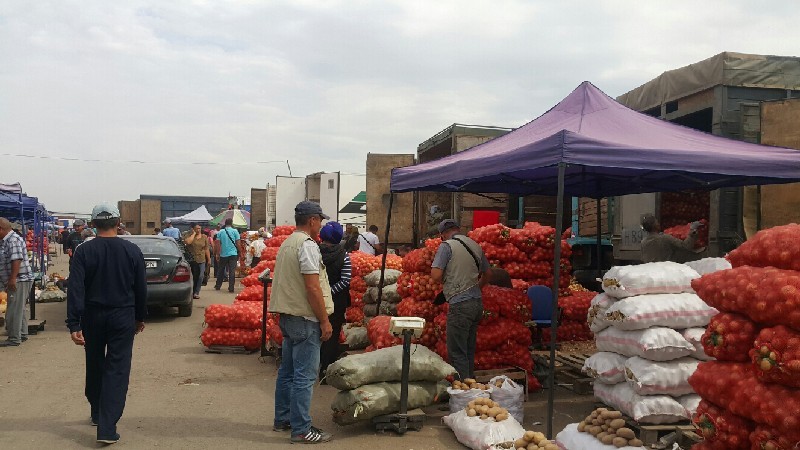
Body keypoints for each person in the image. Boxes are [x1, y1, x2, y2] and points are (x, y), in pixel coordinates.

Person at [65, 202, 147, 444]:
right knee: (117, 368)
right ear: (118, 223)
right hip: (122, 316)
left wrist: (74, 324)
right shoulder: (131, 250)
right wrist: (140, 317)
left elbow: (75, 289)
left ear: (92, 224)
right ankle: (107, 427)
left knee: (95, 362)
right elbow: (141, 288)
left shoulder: (83, 251)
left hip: (92, 316)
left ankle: (96, 411)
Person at [269, 201, 334, 444]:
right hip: (305, 319)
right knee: (304, 377)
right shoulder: (307, 246)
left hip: (288, 317)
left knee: (287, 373)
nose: (321, 224)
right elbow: (312, 287)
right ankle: (301, 429)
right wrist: (325, 321)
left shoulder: (288, 243)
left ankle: (283, 419)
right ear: (313, 220)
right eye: (320, 220)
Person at [431, 219, 492, 380]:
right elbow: (488, 274)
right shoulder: (474, 245)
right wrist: (476, 287)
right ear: (458, 229)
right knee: (468, 349)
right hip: (477, 304)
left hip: (460, 305)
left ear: (442, 234)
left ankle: (463, 391)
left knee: (457, 352)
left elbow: (436, 275)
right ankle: (471, 386)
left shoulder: (447, 246)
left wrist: (450, 277)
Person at [318, 221, 351, 380]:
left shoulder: (314, 252)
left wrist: (321, 293)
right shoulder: (344, 255)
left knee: (316, 333)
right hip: (336, 302)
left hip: (315, 300)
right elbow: (345, 281)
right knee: (332, 334)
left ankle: (312, 368)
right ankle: (326, 372)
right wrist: (330, 293)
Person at [0, 218, 34, 347]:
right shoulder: (6, 240)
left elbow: (16, 260)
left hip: (19, 279)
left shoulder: (13, 240)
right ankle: (22, 333)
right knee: (19, 308)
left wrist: (12, 278)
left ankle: (14, 338)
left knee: (14, 310)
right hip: (17, 279)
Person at [640, 214, 705, 263]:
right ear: (655, 225)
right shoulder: (664, 238)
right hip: (666, 272)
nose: (659, 224)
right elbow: (686, 246)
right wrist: (692, 230)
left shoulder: (643, 242)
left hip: (653, 274)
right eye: (657, 222)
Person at [183, 224, 211, 299]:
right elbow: (188, 242)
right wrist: (193, 234)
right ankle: (191, 291)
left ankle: (196, 292)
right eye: (196, 229)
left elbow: (206, 248)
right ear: (193, 229)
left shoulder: (204, 237)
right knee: (192, 277)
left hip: (201, 259)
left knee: (201, 276)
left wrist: (209, 259)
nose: (198, 230)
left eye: (199, 228)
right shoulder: (189, 235)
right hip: (192, 260)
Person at [214, 218, 240, 293]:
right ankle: (231, 288)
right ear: (231, 223)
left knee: (221, 270)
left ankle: (218, 285)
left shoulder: (221, 232)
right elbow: (238, 243)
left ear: (225, 224)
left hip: (223, 254)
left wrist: (217, 253)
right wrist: (240, 252)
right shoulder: (235, 231)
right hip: (233, 254)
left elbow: (217, 244)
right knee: (232, 271)